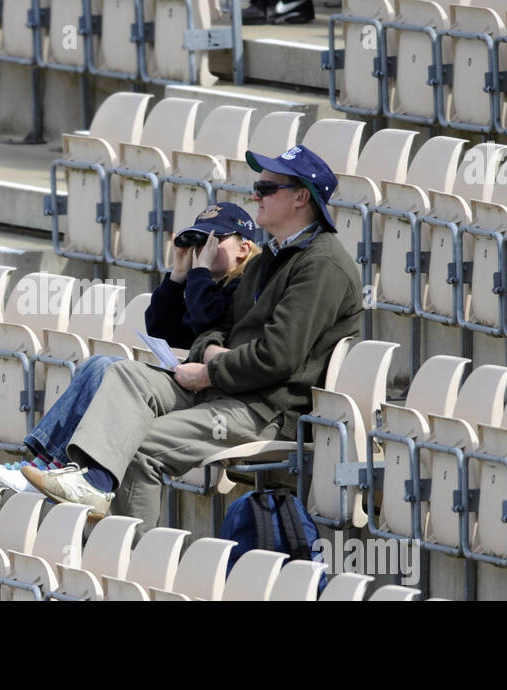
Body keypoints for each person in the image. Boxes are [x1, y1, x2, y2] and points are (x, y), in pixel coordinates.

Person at [20, 144, 363, 527]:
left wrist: (210, 370)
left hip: (265, 409)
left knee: (140, 448)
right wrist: (210, 352)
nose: (255, 195)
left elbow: (277, 356)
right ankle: (95, 484)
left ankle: (130, 564)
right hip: (229, 388)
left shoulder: (323, 265)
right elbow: (214, 327)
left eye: (267, 188)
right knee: (122, 374)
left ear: (301, 197)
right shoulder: (270, 258)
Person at [0, 203, 262, 493]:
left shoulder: (246, 288)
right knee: (100, 364)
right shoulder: (209, 285)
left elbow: (206, 319)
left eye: (216, 240)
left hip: (217, 394)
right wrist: (178, 274)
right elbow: (163, 329)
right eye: (201, 241)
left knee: (115, 371)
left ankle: (55, 470)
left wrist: (198, 272)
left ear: (243, 248)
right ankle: (45, 464)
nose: (205, 248)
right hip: (193, 381)